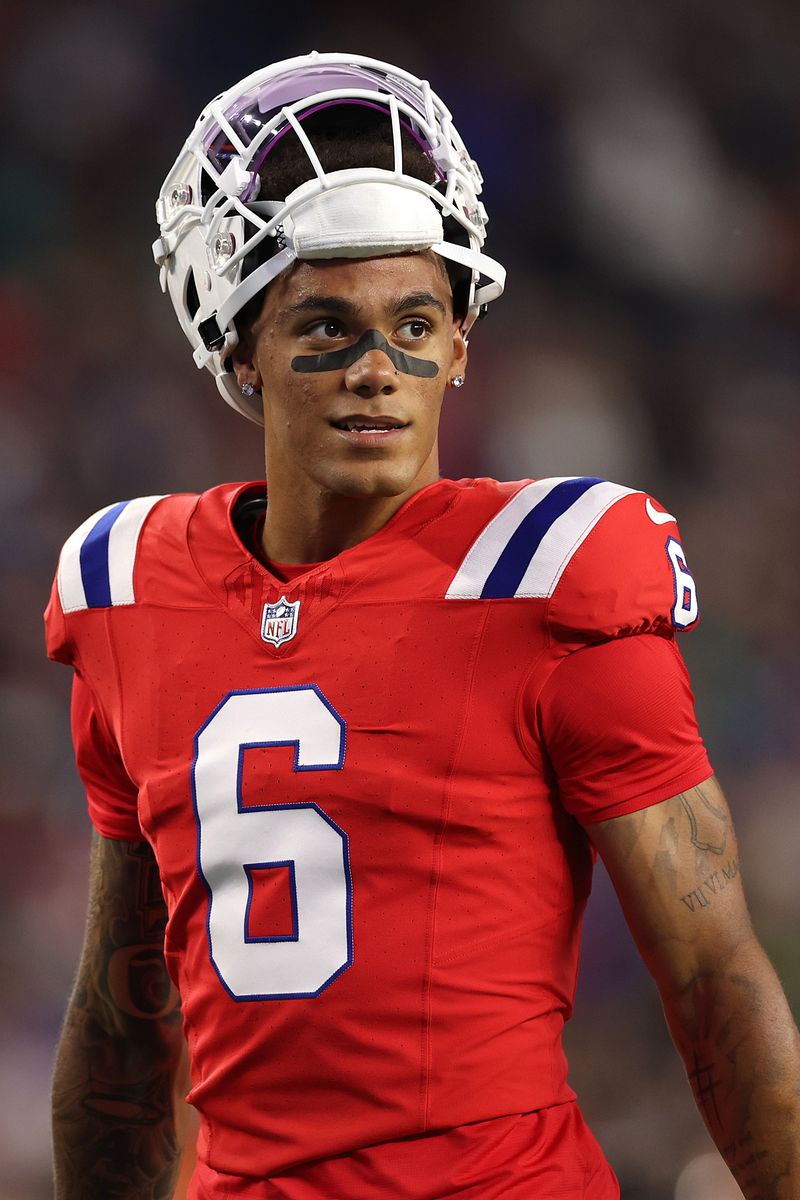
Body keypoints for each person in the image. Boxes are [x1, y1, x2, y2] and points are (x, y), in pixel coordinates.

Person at [45, 51, 800, 1200]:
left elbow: (710, 979)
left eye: (413, 324)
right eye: (325, 329)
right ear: (238, 346)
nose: (376, 373)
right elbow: (120, 1017)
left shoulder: (547, 575)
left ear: (460, 343)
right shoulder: (127, 588)